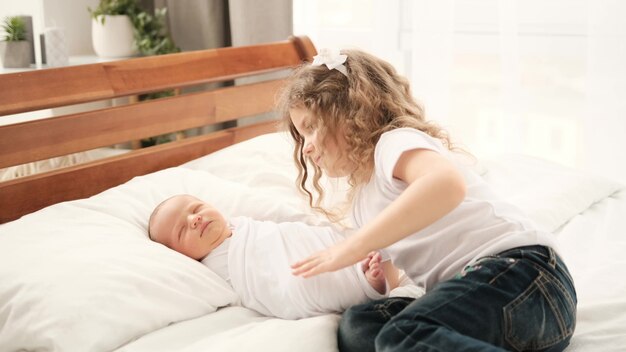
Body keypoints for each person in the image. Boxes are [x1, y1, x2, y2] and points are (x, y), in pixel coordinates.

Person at [279, 48, 577, 351]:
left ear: (350, 114)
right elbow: (398, 275)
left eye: (310, 128)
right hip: (492, 310)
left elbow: (446, 185)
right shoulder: (361, 205)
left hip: (526, 278)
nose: (305, 148)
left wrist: (352, 247)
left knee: (403, 334)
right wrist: (379, 279)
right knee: (359, 327)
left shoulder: (393, 144)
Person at [148, 194, 424, 320]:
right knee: (299, 284)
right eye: (183, 229)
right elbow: (261, 284)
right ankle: (368, 284)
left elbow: (287, 229)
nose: (195, 219)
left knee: (330, 241)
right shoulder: (211, 268)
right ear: (180, 254)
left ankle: (370, 273)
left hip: (303, 246)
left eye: (196, 208)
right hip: (283, 281)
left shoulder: (243, 224)